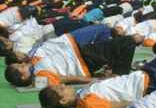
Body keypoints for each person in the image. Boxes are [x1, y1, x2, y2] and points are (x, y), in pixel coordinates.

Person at [39, 40, 156, 108]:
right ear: (62, 101)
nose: (65, 86)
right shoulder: (86, 105)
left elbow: (104, 84)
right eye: (61, 88)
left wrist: (107, 75)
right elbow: (120, 106)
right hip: (150, 84)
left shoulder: (81, 95)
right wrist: (151, 99)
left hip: (142, 74)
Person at [4, 35, 137, 87]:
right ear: (23, 76)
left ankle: (117, 73)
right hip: (84, 58)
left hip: (81, 53)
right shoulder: (38, 79)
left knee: (119, 45)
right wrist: (97, 80)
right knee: (127, 42)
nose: (23, 64)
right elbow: (68, 79)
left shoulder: (36, 72)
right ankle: (120, 79)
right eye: (21, 66)